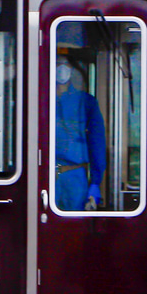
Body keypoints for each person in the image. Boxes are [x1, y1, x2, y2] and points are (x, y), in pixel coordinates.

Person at [55, 55, 107, 211]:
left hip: (75, 177)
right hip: (43, 175)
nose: (61, 68)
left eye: (65, 64)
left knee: (74, 224)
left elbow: (97, 142)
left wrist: (95, 182)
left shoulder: (86, 102)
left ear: (72, 70)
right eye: (57, 64)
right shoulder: (40, 99)